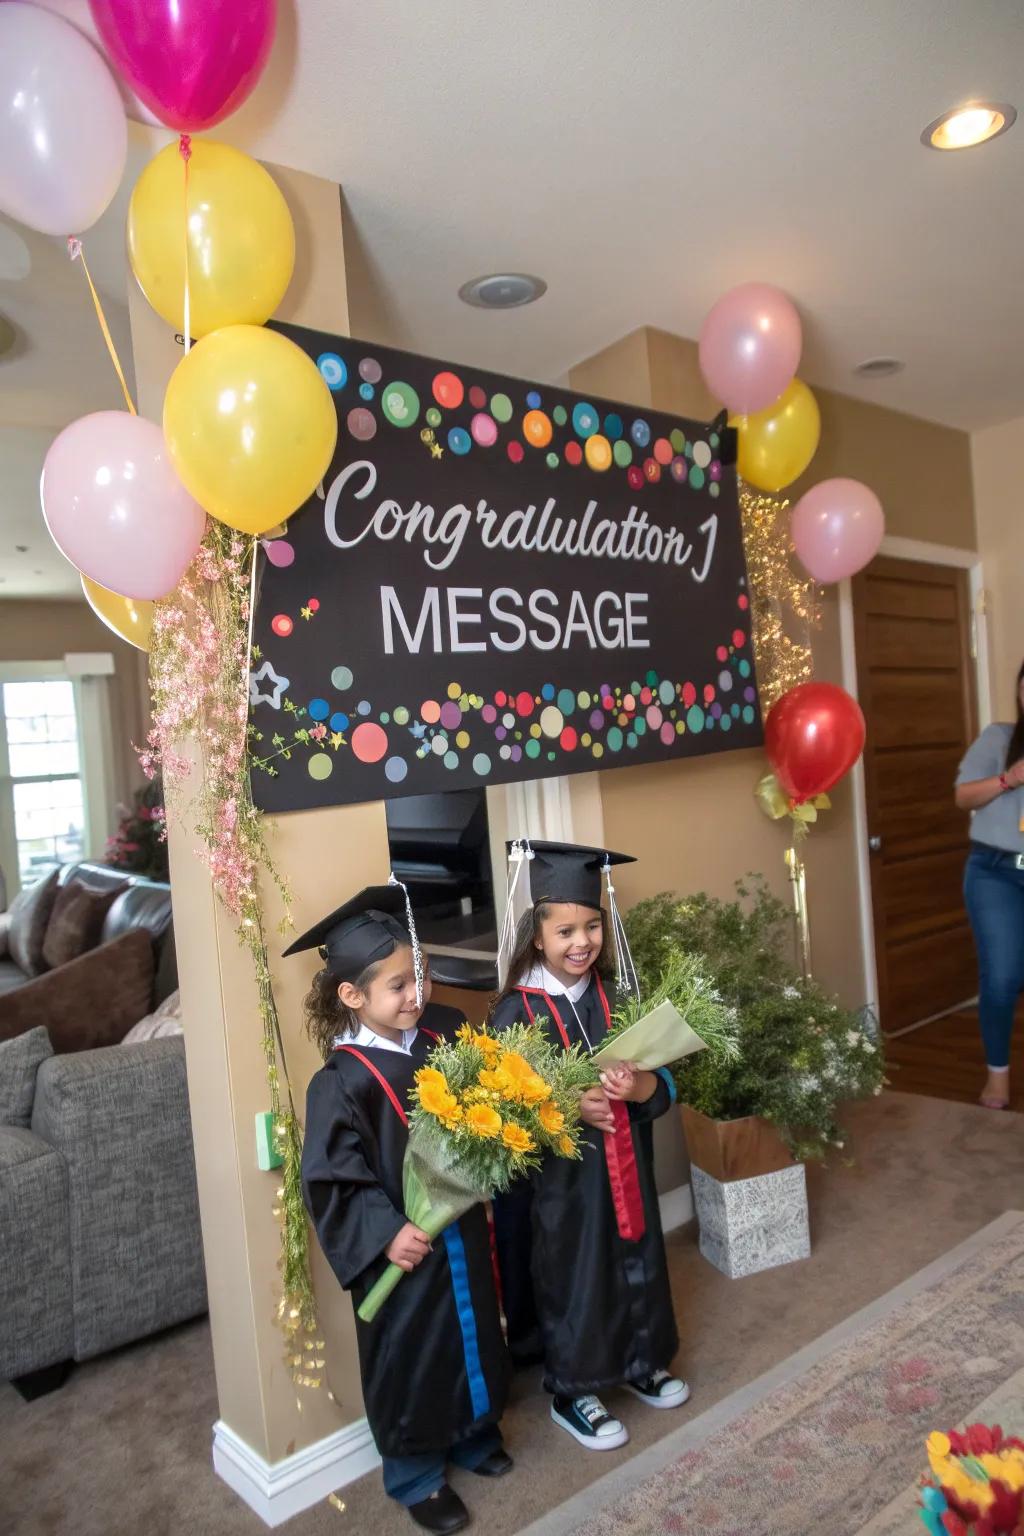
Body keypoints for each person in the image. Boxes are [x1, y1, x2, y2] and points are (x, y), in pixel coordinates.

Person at [292, 884, 512, 1534]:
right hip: (404, 1247)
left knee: (473, 1325)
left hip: (461, 1226)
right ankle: (415, 1474)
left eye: (421, 973)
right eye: (397, 985)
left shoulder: (444, 1031)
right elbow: (332, 1179)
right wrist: (386, 1235)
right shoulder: (340, 1082)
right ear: (352, 997)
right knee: (411, 1349)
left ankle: (473, 1430)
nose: (416, 993)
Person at [489, 840, 686, 1452]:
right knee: (576, 1275)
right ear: (538, 937)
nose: (582, 942)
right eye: (566, 930)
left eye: (592, 926)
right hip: (561, 1190)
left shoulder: (616, 997)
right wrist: (566, 1106)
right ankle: (574, 1389)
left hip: (627, 1169)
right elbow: (499, 1114)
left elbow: (664, 1084)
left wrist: (642, 1082)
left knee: (638, 1257)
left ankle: (641, 1359)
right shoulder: (514, 1013)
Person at [955, 661, 1024, 1110]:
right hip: (995, 871)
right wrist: (1011, 778)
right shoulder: (999, 738)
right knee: (1001, 978)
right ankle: (997, 1077)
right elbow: (963, 796)